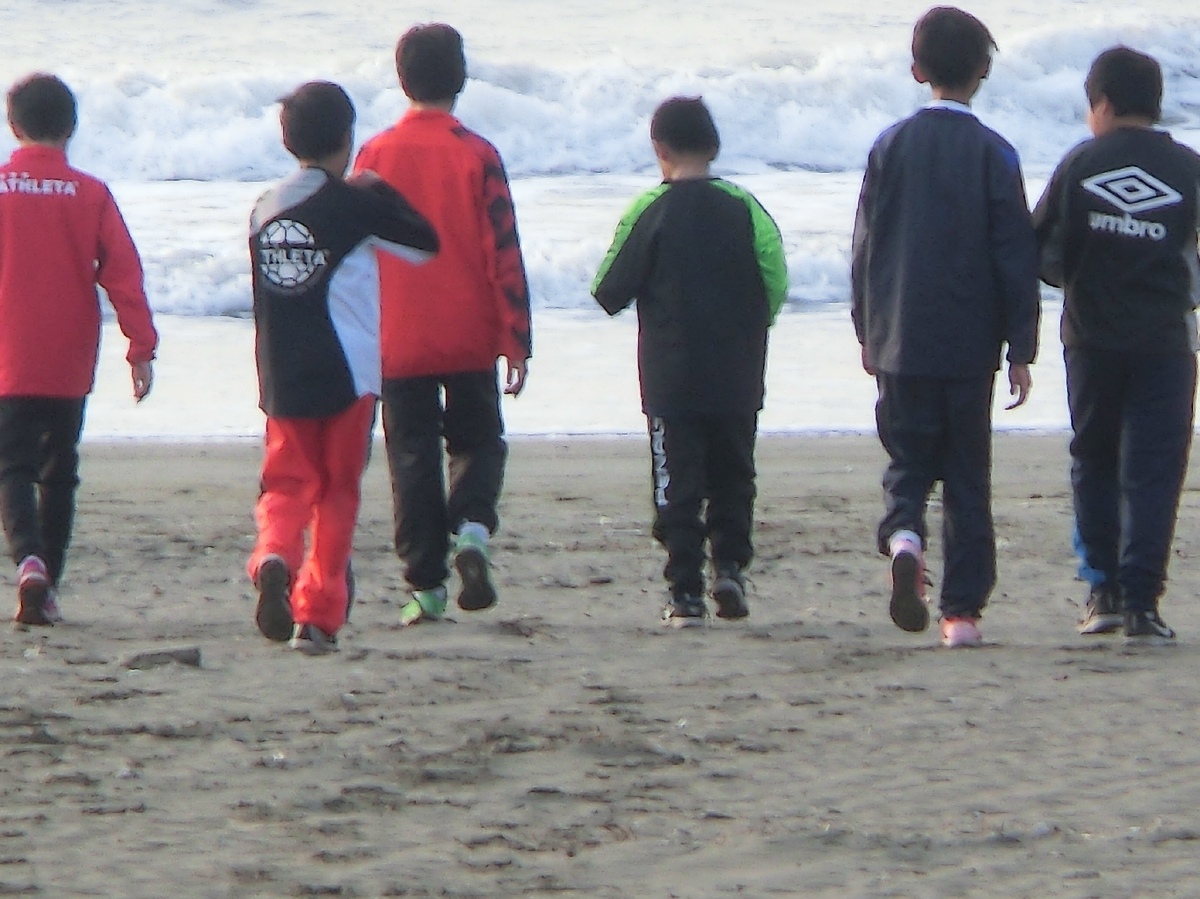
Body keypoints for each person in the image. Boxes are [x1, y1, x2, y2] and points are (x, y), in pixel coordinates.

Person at [850, 7, 1040, 648]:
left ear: (916, 70)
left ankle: (904, 537)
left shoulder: (889, 146)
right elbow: (1014, 255)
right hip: (968, 344)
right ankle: (960, 614)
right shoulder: (994, 152)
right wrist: (1021, 346)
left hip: (900, 337)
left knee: (907, 458)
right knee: (966, 477)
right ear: (983, 70)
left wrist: (867, 329)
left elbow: (865, 247)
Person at [247, 81, 438, 653]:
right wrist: (378, 187)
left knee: (285, 481)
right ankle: (316, 614)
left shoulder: (264, 208)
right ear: (348, 138)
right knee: (335, 492)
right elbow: (425, 243)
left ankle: (273, 555)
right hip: (348, 371)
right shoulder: (358, 204)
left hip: (281, 368)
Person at [353, 24, 532, 627]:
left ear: (401, 79)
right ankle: (473, 529)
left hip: (398, 333)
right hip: (468, 331)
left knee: (411, 457)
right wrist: (516, 337)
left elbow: (356, 255)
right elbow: (503, 250)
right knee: (478, 442)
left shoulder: (374, 156)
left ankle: (426, 587)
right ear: (461, 78)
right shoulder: (477, 154)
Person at [592, 96, 787, 626]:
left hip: (671, 377)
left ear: (659, 149)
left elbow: (608, 288)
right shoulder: (745, 206)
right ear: (714, 147)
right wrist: (754, 326)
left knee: (675, 482)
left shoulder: (650, 209)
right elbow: (775, 278)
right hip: (738, 371)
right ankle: (730, 568)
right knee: (734, 474)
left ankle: (685, 592)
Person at [1033, 46, 1200, 642]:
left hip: (1091, 340)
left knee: (1094, 458)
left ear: (1101, 104)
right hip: (1166, 343)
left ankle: (1101, 591)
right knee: (1155, 470)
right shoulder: (1188, 168)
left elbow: (1042, 249)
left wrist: (1079, 277)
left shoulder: (1082, 163)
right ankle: (1142, 603)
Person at [0, 73, 158, 627]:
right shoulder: (90, 193)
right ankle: (49, 583)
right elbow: (124, 274)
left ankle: (29, 561)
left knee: (12, 465)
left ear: (12, 124)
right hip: (69, 354)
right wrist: (141, 346)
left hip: (9, 353)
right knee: (60, 468)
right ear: (71, 127)